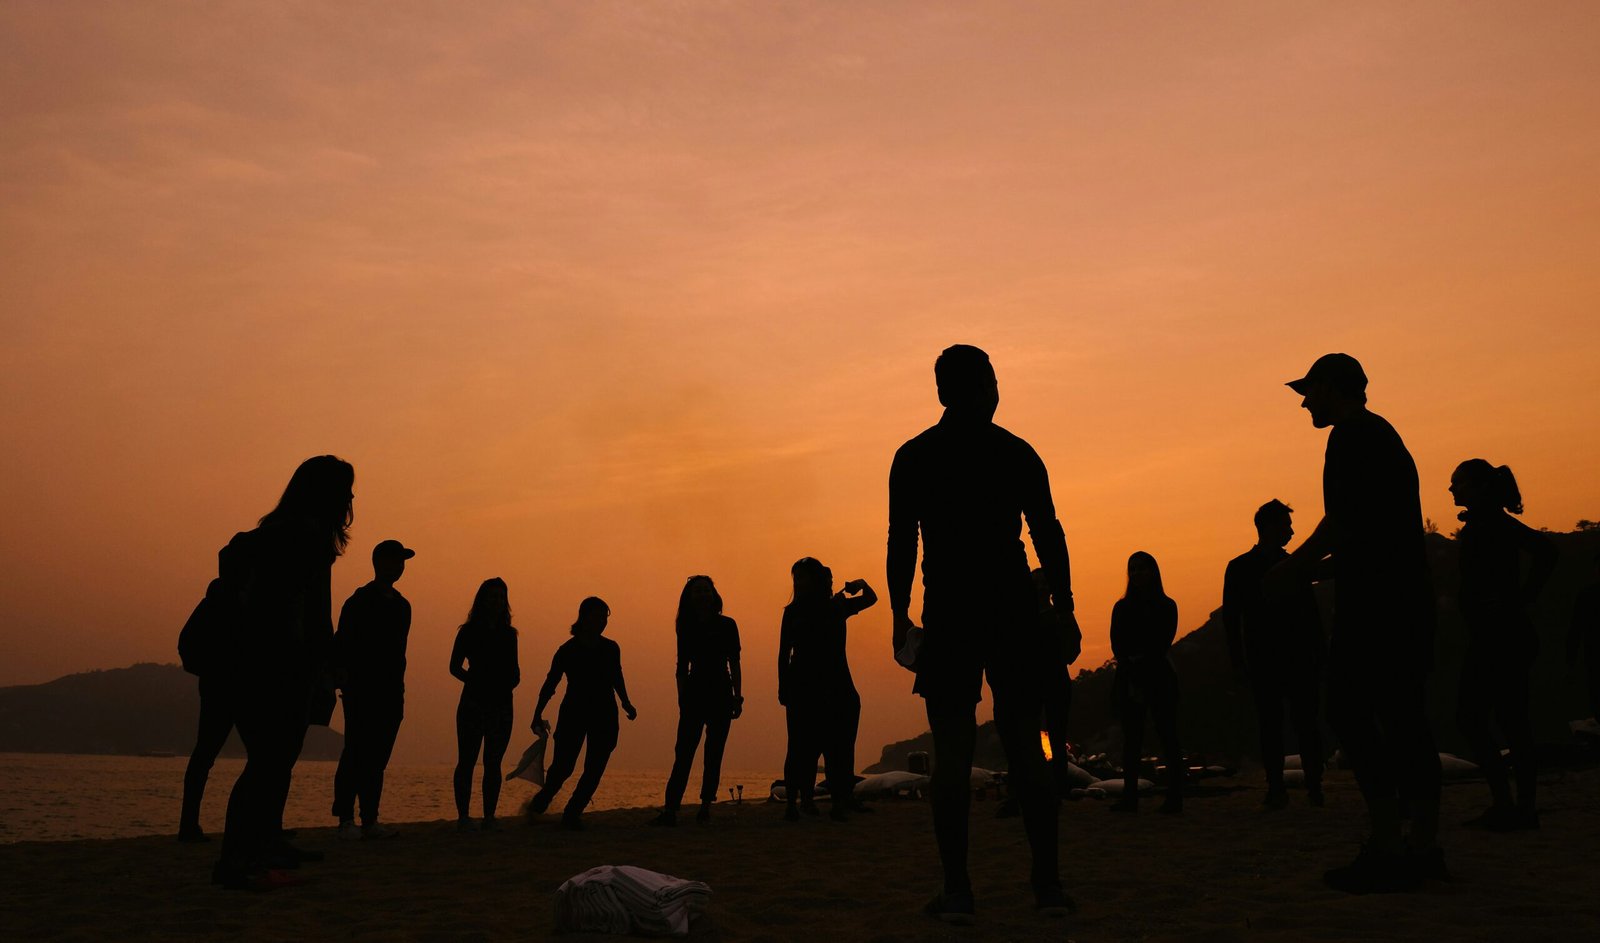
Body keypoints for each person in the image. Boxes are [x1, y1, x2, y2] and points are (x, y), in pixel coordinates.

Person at [887, 344, 1077, 921]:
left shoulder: (915, 456)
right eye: (992, 382)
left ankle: (959, 891)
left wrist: (899, 618)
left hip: (950, 610)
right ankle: (1045, 886)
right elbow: (1048, 533)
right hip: (1011, 608)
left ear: (942, 392)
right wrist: (1064, 607)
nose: (995, 393)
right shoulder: (1014, 452)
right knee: (1023, 744)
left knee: (952, 753)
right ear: (987, 388)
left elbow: (901, 543)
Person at [1274, 353, 1442, 894]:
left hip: (1376, 606)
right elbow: (1375, 531)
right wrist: (1322, 572)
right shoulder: (1383, 436)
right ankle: (1421, 845)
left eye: (1310, 391)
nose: (1304, 402)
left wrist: (1295, 566)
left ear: (1331, 389)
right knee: (1404, 717)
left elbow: (1343, 521)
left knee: (1348, 710)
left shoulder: (1348, 438)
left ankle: (1391, 844)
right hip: (1403, 597)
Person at [213, 455, 353, 890]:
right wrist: (326, 673)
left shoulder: (271, 534)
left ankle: (255, 851)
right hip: (283, 667)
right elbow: (316, 617)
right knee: (268, 766)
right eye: (346, 489)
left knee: (269, 763)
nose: (350, 498)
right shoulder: (307, 540)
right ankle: (238, 862)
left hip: (250, 664)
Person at [1450, 460, 1556, 830]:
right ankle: (1512, 806)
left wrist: (1519, 599)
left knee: (1498, 720)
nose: (1452, 490)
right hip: (1491, 637)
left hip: (1503, 638)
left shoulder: (1495, 523)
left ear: (1478, 487)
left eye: (1458, 483)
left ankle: (1518, 807)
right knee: (1489, 719)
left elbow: (1546, 552)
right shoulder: (1483, 523)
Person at [1223, 500, 1326, 809]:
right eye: (1286, 525)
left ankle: (1311, 785)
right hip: (1266, 657)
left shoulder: (1292, 563)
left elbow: (1310, 612)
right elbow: (1231, 617)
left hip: (1293, 656)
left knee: (1302, 723)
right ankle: (1280, 787)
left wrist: (1318, 650)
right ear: (1269, 528)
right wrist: (1238, 660)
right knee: (1275, 724)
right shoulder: (1241, 567)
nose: (1292, 531)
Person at [778, 558, 877, 822]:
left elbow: (871, 598)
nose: (799, 582)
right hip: (802, 685)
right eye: (796, 577)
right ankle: (797, 802)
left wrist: (860, 584)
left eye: (803, 577)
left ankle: (838, 801)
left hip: (836, 685)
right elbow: (783, 652)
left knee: (837, 746)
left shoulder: (837, 605)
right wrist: (783, 686)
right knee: (800, 746)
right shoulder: (793, 611)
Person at [526, 597, 638, 829]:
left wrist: (626, 703)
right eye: (595, 616)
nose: (600, 622)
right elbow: (551, 683)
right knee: (563, 767)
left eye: (604, 618)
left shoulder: (611, 648)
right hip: (574, 713)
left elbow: (617, 677)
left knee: (595, 767)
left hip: (605, 713)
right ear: (583, 617)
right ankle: (539, 803)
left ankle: (572, 813)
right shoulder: (567, 650)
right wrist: (537, 713)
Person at [331, 539, 415, 840]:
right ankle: (345, 818)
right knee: (355, 751)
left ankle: (370, 818)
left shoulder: (403, 605)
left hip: (392, 691)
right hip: (362, 690)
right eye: (395, 560)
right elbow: (342, 642)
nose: (400, 566)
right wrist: (343, 677)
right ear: (379, 562)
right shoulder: (359, 601)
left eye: (402, 561)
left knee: (378, 757)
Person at [650, 575, 743, 827]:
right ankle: (671, 808)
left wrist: (738, 696)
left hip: (722, 693)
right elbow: (681, 666)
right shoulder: (686, 627)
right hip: (694, 693)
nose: (702, 595)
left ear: (714, 595)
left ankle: (705, 805)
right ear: (690, 597)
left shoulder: (728, 625)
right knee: (683, 752)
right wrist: (682, 698)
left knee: (714, 752)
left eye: (706, 590)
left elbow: (734, 662)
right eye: (697, 591)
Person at [1108, 552, 1184, 814]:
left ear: (1153, 571)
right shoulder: (1121, 607)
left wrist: (1140, 662)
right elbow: (1116, 644)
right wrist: (1131, 668)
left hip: (1159, 675)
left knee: (1168, 736)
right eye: (1133, 569)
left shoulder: (1167, 605)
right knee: (1132, 740)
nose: (1138, 573)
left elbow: (1163, 641)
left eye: (1142, 568)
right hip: (1130, 676)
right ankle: (1130, 798)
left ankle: (1175, 797)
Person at [449, 578, 520, 831]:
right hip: (473, 703)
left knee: (493, 762)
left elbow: (515, 672)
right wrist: (475, 680)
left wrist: (506, 684)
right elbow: (454, 667)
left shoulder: (510, 635)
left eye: (501, 597)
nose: (497, 602)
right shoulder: (467, 632)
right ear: (482, 600)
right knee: (466, 760)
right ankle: (464, 817)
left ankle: (489, 816)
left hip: (501, 704)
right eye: (492, 596)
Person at [1570, 551, 1600, 725]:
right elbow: (1576, 629)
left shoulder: (1587, 595)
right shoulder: (1587, 595)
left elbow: (1575, 630)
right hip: (1593, 656)